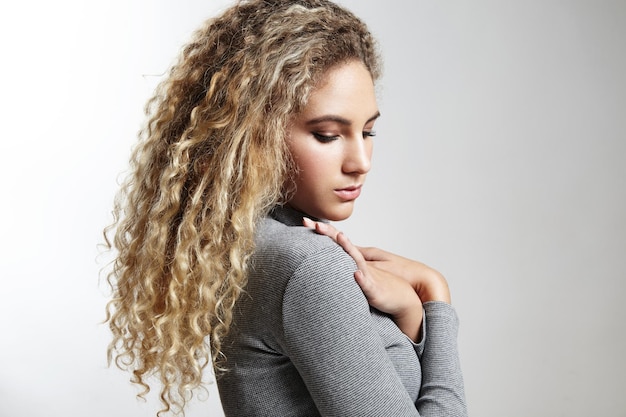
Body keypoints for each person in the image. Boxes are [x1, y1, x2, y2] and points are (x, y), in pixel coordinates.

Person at [104, 0, 467, 416]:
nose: (360, 161)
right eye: (328, 135)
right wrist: (437, 297)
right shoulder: (308, 266)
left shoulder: (253, 247)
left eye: (367, 131)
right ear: (255, 134)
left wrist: (409, 312)